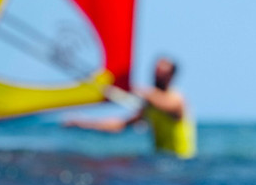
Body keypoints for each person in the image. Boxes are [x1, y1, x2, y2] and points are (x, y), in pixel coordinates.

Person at [64, 57, 197, 159]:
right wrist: (82, 123)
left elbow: (163, 102)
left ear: (171, 76)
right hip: (160, 161)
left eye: (161, 73)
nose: (156, 76)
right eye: (155, 72)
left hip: (182, 162)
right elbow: (120, 125)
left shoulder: (177, 99)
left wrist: (129, 87)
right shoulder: (150, 106)